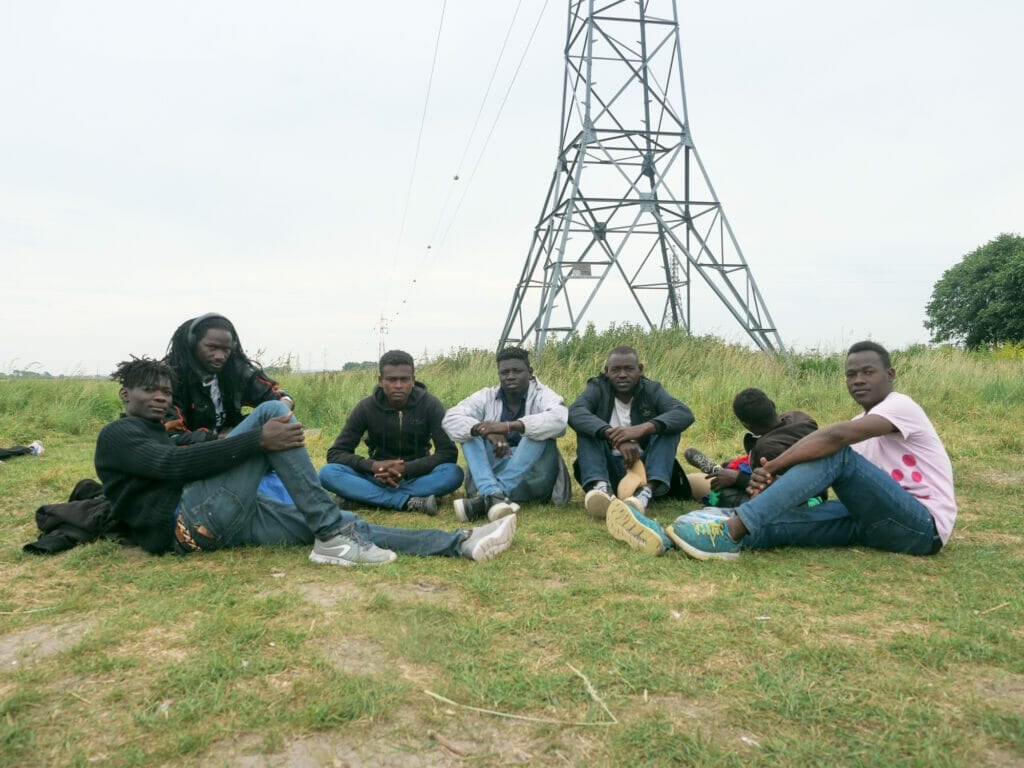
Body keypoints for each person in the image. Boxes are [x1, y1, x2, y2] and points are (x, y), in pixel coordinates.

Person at [95, 357, 517, 565]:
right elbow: (172, 468)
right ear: (125, 395)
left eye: (166, 392)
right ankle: (331, 531)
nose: (160, 398)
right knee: (271, 414)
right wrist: (258, 439)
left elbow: (446, 455)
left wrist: (405, 469)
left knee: (348, 525)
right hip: (186, 520)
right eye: (149, 390)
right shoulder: (118, 434)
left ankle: (460, 542)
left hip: (220, 515)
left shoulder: (159, 431)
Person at [612, 341, 956, 560]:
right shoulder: (861, 422)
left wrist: (773, 466)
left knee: (833, 451)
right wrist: (772, 483)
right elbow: (838, 476)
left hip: (921, 527)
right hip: (871, 521)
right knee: (777, 524)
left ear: (890, 374)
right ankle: (674, 534)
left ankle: (732, 530)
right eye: (851, 375)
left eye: (868, 372)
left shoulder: (901, 406)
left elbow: (835, 441)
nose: (858, 380)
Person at [319, 350, 464, 515]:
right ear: (381, 381)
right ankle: (407, 502)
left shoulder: (430, 405)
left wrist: (407, 469)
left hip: (417, 476)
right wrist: (373, 466)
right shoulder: (365, 407)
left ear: (413, 381)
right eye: (391, 379)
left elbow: (448, 453)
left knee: (454, 473)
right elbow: (336, 453)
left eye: (404, 379)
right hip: (376, 477)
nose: (398, 385)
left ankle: (364, 497)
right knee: (327, 473)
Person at [442, 347, 571, 522]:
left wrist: (509, 426)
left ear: (530, 372)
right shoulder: (486, 396)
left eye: (517, 371)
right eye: (505, 372)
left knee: (538, 431)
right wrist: (485, 431)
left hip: (535, 478)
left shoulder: (544, 394)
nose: (510, 376)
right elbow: (450, 418)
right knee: (469, 432)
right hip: (497, 468)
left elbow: (559, 420)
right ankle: (494, 495)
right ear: (499, 374)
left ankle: (491, 496)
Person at [568, 345, 695, 518]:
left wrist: (641, 429)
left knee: (668, 427)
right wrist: (611, 434)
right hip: (608, 467)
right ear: (606, 371)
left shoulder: (652, 389)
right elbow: (575, 412)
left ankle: (644, 494)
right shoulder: (597, 387)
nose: (622, 375)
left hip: (645, 468)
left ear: (640, 369)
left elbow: (683, 414)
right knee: (588, 429)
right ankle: (602, 490)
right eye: (616, 370)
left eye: (629, 369)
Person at [163, 313, 293, 444]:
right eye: (212, 347)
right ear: (193, 343)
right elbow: (173, 438)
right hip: (198, 454)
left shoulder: (234, 371)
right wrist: (219, 438)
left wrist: (282, 409)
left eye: (226, 349)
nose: (220, 356)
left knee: (278, 412)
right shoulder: (169, 379)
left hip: (235, 442)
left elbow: (278, 397)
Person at [681, 388, 821, 508]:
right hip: (819, 485)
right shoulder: (799, 418)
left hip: (805, 499)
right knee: (737, 465)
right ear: (772, 405)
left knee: (720, 493)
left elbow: (785, 489)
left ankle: (716, 472)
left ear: (747, 425)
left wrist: (738, 479)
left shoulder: (767, 449)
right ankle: (719, 470)